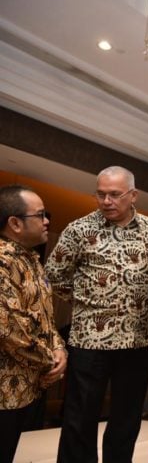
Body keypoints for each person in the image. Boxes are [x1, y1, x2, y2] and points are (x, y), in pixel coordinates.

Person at [46, 166, 148, 463]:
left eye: (115, 194)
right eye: (101, 194)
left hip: (137, 339)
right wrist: (85, 300)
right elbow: (54, 275)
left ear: (133, 195)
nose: (107, 201)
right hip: (89, 339)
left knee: (126, 418)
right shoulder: (79, 229)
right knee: (79, 416)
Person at [0, 185, 66, 463]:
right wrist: (49, 361)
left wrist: (60, 350)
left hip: (29, 388)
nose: (47, 221)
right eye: (40, 215)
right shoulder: (2, 261)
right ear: (15, 223)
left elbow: (46, 317)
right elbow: (8, 327)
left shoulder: (32, 261)